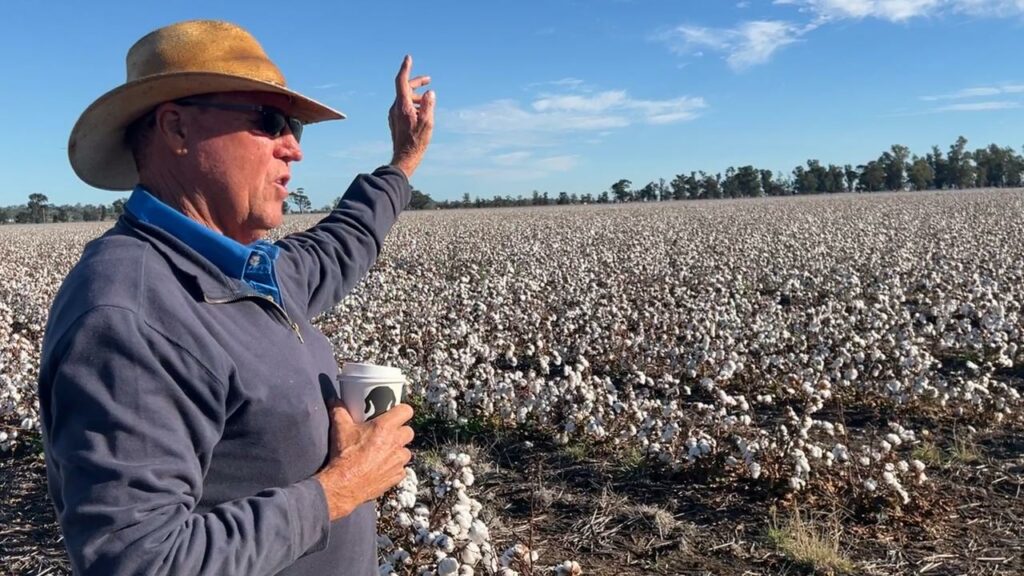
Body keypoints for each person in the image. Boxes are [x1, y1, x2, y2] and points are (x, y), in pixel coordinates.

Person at [37, 19, 434, 575]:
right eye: (269, 122)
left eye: (294, 125)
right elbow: (136, 560)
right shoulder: (132, 312)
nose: (293, 148)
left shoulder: (240, 272)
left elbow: (335, 248)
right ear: (176, 127)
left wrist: (402, 164)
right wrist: (339, 490)